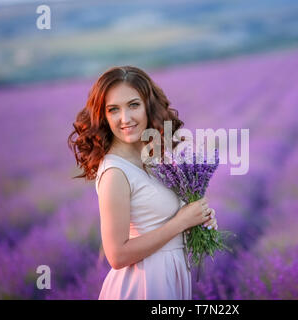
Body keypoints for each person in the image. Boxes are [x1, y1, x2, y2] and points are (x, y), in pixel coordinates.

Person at [67, 66, 218, 299]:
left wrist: (197, 220)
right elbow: (117, 256)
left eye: (133, 105)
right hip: (143, 286)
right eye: (113, 109)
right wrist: (180, 222)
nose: (125, 119)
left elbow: (160, 221)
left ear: (149, 106)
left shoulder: (155, 158)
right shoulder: (115, 173)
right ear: (103, 117)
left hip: (170, 277)